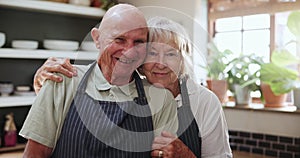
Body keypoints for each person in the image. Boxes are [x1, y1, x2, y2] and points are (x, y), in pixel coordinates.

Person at [34, 16, 233, 158]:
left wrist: (186, 156)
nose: (161, 63)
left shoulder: (204, 101)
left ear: (183, 59)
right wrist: (46, 77)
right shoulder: (128, 85)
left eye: (171, 54)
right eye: (152, 53)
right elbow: (90, 75)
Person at [20, 4, 179, 158]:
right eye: (119, 39)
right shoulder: (62, 81)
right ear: (97, 38)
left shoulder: (161, 99)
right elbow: (35, 155)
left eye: (138, 42)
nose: (129, 52)